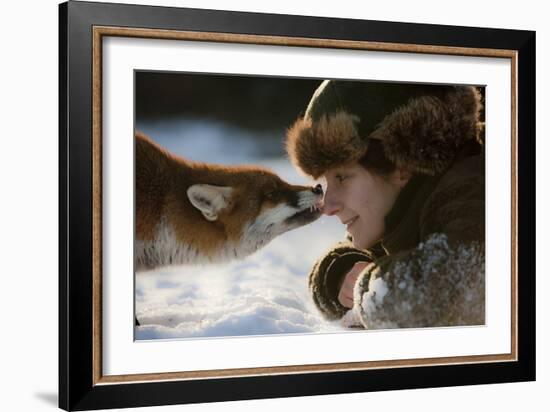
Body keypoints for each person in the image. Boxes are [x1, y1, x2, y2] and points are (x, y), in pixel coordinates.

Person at [285, 80, 485, 329]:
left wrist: (368, 288)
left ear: (402, 163)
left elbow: (454, 283)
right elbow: (365, 256)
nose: (328, 205)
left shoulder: (475, 192)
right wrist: (340, 274)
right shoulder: (400, 208)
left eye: (342, 177)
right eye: (327, 181)